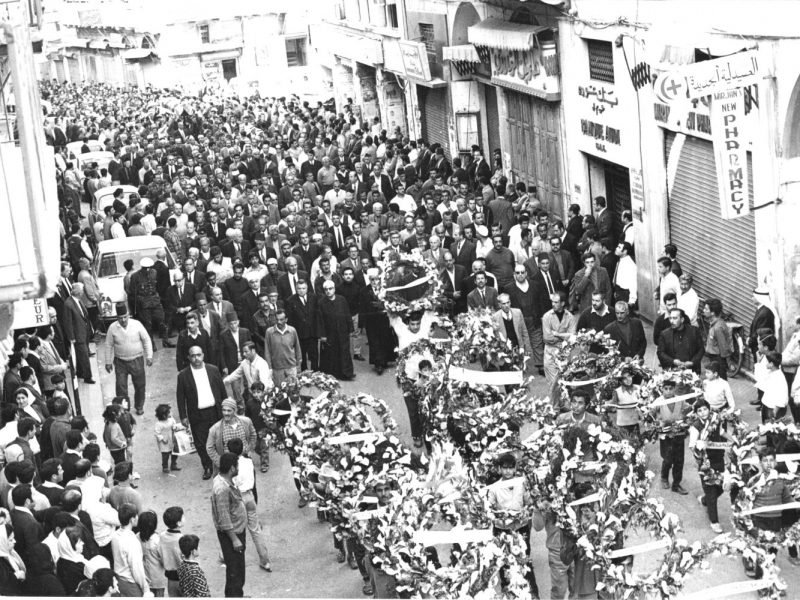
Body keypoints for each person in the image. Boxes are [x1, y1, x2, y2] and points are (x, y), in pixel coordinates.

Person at [487, 454, 539, 597]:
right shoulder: (494, 488)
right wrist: (500, 516)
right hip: (502, 530)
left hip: (520, 527)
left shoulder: (522, 484)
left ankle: (531, 595)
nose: (508, 472)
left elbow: (529, 503)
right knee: (505, 563)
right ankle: (509, 595)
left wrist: (524, 513)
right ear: (499, 469)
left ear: (515, 468)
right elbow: (489, 509)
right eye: (505, 468)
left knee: (524, 561)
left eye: (511, 468)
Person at [175, 346, 226, 480]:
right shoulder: (183, 376)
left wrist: (227, 408)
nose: (196, 358)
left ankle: (221, 465)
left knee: (219, 439)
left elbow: (222, 390)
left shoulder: (213, 370)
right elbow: (180, 398)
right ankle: (207, 466)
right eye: (193, 356)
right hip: (197, 414)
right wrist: (183, 416)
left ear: (203, 355)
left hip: (215, 411)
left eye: (198, 355)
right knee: (201, 443)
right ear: (189, 357)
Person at [227, 438, 271, 573]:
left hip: (237, 498)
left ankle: (229, 558)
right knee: (255, 530)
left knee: (235, 529)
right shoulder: (248, 462)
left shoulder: (232, 466)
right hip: (249, 496)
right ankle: (265, 560)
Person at [104, 303, 153, 416]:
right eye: (120, 318)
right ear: (117, 318)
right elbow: (108, 345)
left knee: (140, 385)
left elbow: (146, 340)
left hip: (137, 359)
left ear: (129, 315)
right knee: (121, 387)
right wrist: (107, 362)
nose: (123, 320)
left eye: (125, 317)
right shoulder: (112, 328)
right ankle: (125, 408)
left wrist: (149, 356)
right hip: (120, 361)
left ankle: (139, 406)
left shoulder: (137, 324)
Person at [211, 452, 247, 598]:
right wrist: (234, 539)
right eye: (237, 466)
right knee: (236, 572)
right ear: (232, 468)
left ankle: (237, 594)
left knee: (236, 570)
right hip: (233, 534)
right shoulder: (222, 489)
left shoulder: (224, 481)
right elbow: (224, 517)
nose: (238, 468)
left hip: (237, 529)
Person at [689, 399, 727, 533]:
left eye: (705, 409)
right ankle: (714, 521)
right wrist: (700, 452)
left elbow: (722, 432)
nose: (703, 412)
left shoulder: (715, 420)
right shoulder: (695, 427)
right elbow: (692, 446)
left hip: (719, 458)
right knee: (711, 491)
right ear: (697, 413)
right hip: (706, 462)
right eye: (699, 410)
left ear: (709, 409)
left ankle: (705, 500)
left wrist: (734, 440)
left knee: (721, 487)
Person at [129, 257, 173, 350]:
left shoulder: (154, 272)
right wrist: (138, 303)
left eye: (149, 267)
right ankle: (151, 344)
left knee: (162, 321)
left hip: (155, 300)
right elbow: (133, 292)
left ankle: (165, 340)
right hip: (144, 302)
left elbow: (159, 286)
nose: (148, 269)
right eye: (145, 268)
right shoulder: (135, 276)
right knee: (148, 325)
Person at [359, 268, 396, 375]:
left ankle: (384, 360)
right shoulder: (364, 291)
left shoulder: (384, 290)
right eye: (373, 280)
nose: (375, 282)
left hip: (384, 319)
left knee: (385, 339)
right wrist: (362, 323)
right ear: (370, 280)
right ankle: (378, 363)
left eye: (377, 280)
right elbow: (362, 307)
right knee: (374, 341)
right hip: (371, 320)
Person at [316, 279, 355, 381]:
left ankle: (346, 373)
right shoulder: (321, 303)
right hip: (330, 332)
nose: (328, 291)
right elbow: (320, 320)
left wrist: (350, 328)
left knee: (344, 351)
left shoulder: (342, 299)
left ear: (334, 289)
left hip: (342, 331)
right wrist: (322, 335)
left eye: (330, 288)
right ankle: (332, 374)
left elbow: (347, 314)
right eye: (326, 289)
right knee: (331, 353)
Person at [655, 379, 688, 495]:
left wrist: (685, 418)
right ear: (662, 389)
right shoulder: (658, 401)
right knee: (668, 458)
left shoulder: (680, 400)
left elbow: (687, 409)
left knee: (679, 460)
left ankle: (676, 484)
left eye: (671, 389)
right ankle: (664, 477)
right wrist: (657, 423)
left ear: (674, 389)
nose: (668, 391)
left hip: (679, 434)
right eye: (666, 389)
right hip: (666, 435)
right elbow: (650, 415)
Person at [542, 291, 576, 402]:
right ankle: (554, 409)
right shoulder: (547, 317)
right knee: (554, 383)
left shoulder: (570, 317)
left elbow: (573, 337)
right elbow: (548, 338)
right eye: (552, 302)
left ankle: (564, 406)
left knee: (566, 382)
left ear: (562, 303)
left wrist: (557, 334)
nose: (553, 304)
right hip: (550, 355)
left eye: (556, 302)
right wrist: (564, 337)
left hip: (565, 355)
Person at [206, 399, 257, 471]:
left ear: (235, 410)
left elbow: (253, 435)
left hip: (245, 460)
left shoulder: (246, 421)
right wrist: (220, 462)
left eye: (229, 410)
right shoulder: (214, 429)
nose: (226, 413)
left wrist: (251, 450)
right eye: (224, 410)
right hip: (228, 466)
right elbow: (209, 448)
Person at [111, 502, 149, 596]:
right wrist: (145, 588)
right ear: (132, 519)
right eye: (136, 516)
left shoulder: (115, 535)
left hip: (119, 578)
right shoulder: (132, 542)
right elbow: (136, 569)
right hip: (130, 583)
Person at [62, 282, 95, 384]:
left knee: (81, 355)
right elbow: (68, 322)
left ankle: (81, 372)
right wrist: (71, 337)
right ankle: (88, 376)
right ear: (77, 292)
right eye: (81, 291)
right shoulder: (68, 304)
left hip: (84, 333)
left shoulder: (78, 301)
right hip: (77, 335)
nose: (82, 292)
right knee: (84, 356)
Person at [657, 308, 704, 373]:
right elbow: (660, 352)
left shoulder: (694, 331)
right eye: (670, 318)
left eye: (675, 318)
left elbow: (701, 349)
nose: (671, 321)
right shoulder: (665, 334)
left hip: (692, 371)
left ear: (682, 320)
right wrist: (673, 361)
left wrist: (692, 362)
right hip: (673, 371)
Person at [286, 279, 318, 371]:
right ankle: (305, 372)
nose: (301, 290)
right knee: (302, 354)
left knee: (314, 354)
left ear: (307, 288)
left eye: (303, 288)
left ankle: (315, 372)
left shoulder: (313, 297)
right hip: (300, 333)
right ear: (296, 289)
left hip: (312, 332)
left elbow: (316, 315)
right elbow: (290, 320)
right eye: (299, 288)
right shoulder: (290, 300)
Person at [264, 309, 302, 387]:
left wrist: (298, 365)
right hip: (277, 369)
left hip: (291, 367)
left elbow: (297, 347)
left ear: (286, 319)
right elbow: (267, 351)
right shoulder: (269, 332)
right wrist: (269, 367)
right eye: (277, 319)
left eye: (281, 320)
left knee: (293, 389)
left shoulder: (292, 330)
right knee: (279, 391)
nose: (279, 322)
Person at [137, 510, 166, 597]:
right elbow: (164, 561)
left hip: (144, 577)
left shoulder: (137, 537)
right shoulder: (158, 540)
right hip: (157, 580)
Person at [160, 506, 184, 598]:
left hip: (170, 577)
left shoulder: (162, 536)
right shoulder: (181, 538)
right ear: (178, 523)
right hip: (182, 577)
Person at [749, 287, 779, 360]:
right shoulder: (761, 310)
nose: (751, 298)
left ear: (759, 298)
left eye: (753, 296)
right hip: (758, 346)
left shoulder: (765, 313)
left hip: (762, 348)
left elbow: (762, 332)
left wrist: (750, 341)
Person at [56, 526, 88, 595]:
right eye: (79, 542)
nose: (83, 543)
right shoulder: (77, 567)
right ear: (69, 546)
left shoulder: (62, 560)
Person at [610, 368, 640, 439]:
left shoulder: (637, 388)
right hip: (623, 425)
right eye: (624, 378)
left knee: (638, 444)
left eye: (629, 376)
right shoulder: (617, 391)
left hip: (635, 422)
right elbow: (612, 407)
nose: (628, 379)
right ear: (621, 381)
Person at [761, 351, 788, 423]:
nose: (765, 363)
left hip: (773, 409)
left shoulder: (780, 378)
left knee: (772, 430)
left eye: (767, 362)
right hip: (766, 405)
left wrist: (775, 411)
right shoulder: (770, 373)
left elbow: (783, 396)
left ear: (772, 364)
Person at [0, 518, 25, 596]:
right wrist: (16, 576)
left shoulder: (11, 552)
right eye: (10, 540)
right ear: (2, 542)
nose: (15, 541)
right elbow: (4, 585)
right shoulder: (1, 562)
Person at [154, 404, 181, 474]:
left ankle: (173, 464)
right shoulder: (159, 424)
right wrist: (162, 439)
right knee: (165, 455)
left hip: (172, 438)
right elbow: (157, 433)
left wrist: (175, 427)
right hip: (164, 442)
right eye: (168, 413)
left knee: (175, 452)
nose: (170, 413)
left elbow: (174, 425)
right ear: (163, 415)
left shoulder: (171, 420)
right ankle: (165, 466)